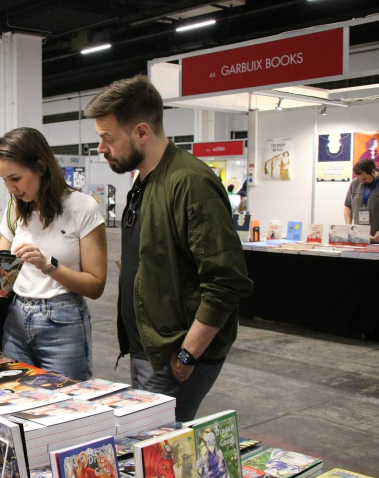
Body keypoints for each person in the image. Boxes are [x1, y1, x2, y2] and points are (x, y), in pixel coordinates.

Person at [83, 75, 252, 421]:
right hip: (149, 347)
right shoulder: (145, 181)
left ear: (141, 132)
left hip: (174, 354)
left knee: (161, 451)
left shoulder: (191, 183)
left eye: (107, 138)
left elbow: (225, 282)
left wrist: (188, 354)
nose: (101, 148)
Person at [0, 127, 107, 381]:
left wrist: (48, 265)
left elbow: (96, 285)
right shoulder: (15, 208)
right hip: (15, 321)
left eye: (16, 178)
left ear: (41, 167)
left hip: (62, 324)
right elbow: (3, 265)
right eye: (4, 180)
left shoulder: (83, 207)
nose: (11, 189)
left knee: (67, 404)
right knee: (17, 403)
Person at [344, 158, 379, 244]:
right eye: (359, 179)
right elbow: (348, 206)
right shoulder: (355, 183)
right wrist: (349, 226)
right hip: (360, 239)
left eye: (364, 179)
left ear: (373, 171)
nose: (362, 182)